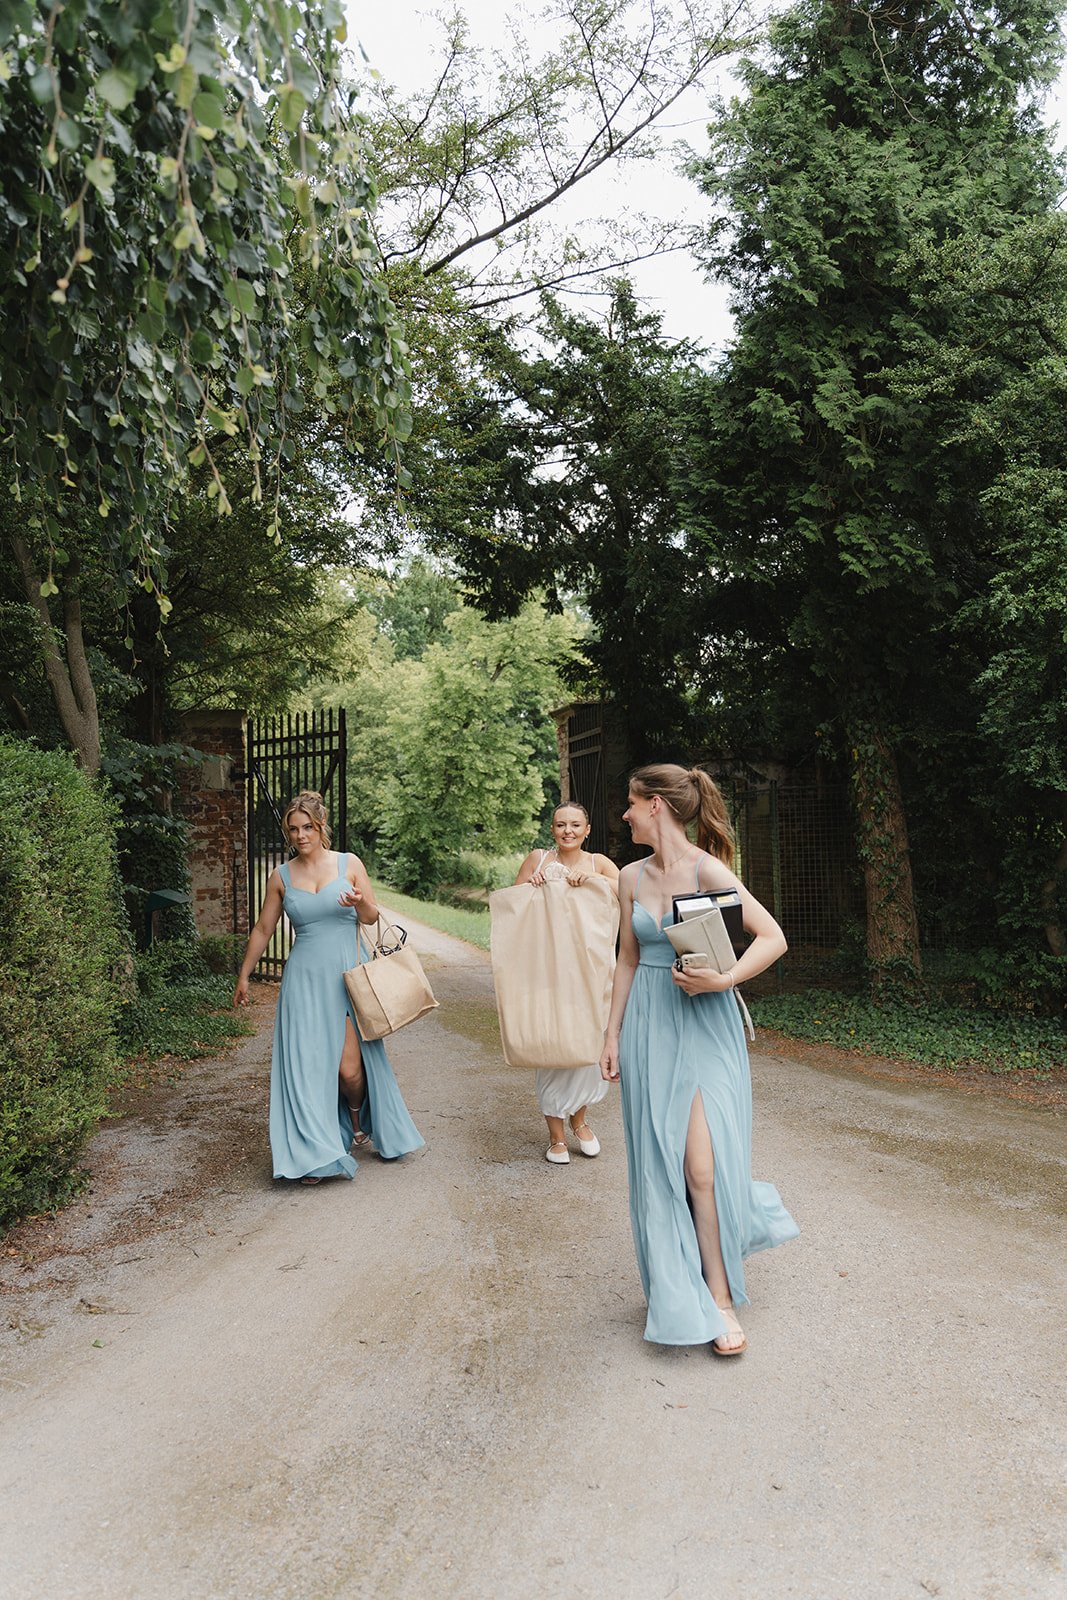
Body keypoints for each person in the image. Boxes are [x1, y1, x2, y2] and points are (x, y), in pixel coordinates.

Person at [599, 764, 798, 1354]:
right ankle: (672, 1283)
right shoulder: (630, 877)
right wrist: (610, 1035)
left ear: (656, 805)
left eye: (631, 804)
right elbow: (628, 959)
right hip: (649, 1025)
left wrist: (725, 980)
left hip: (706, 1023)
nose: (626, 814)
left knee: (703, 1168)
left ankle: (719, 1297)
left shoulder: (708, 869)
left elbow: (773, 936)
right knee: (661, 1162)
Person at [234, 790, 423, 1183]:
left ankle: (356, 1118)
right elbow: (264, 928)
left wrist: (358, 903)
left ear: (321, 827)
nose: (300, 836)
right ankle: (315, 1154)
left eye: (307, 827)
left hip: (347, 975)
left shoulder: (348, 863)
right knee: (306, 1069)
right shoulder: (280, 876)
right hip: (303, 981)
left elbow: (372, 917)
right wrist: (245, 974)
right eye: (293, 830)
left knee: (349, 1070)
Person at [514, 802, 620, 1164]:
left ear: (587, 829)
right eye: (561, 825)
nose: (568, 831)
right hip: (548, 973)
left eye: (575, 825)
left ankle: (581, 1122)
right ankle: (556, 1137)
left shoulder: (599, 863)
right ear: (552, 829)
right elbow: (512, 907)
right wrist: (532, 884)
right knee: (553, 1048)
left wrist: (594, 880)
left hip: (591, 973)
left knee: (588, 1050)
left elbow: (628, 892)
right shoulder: (538, 859)